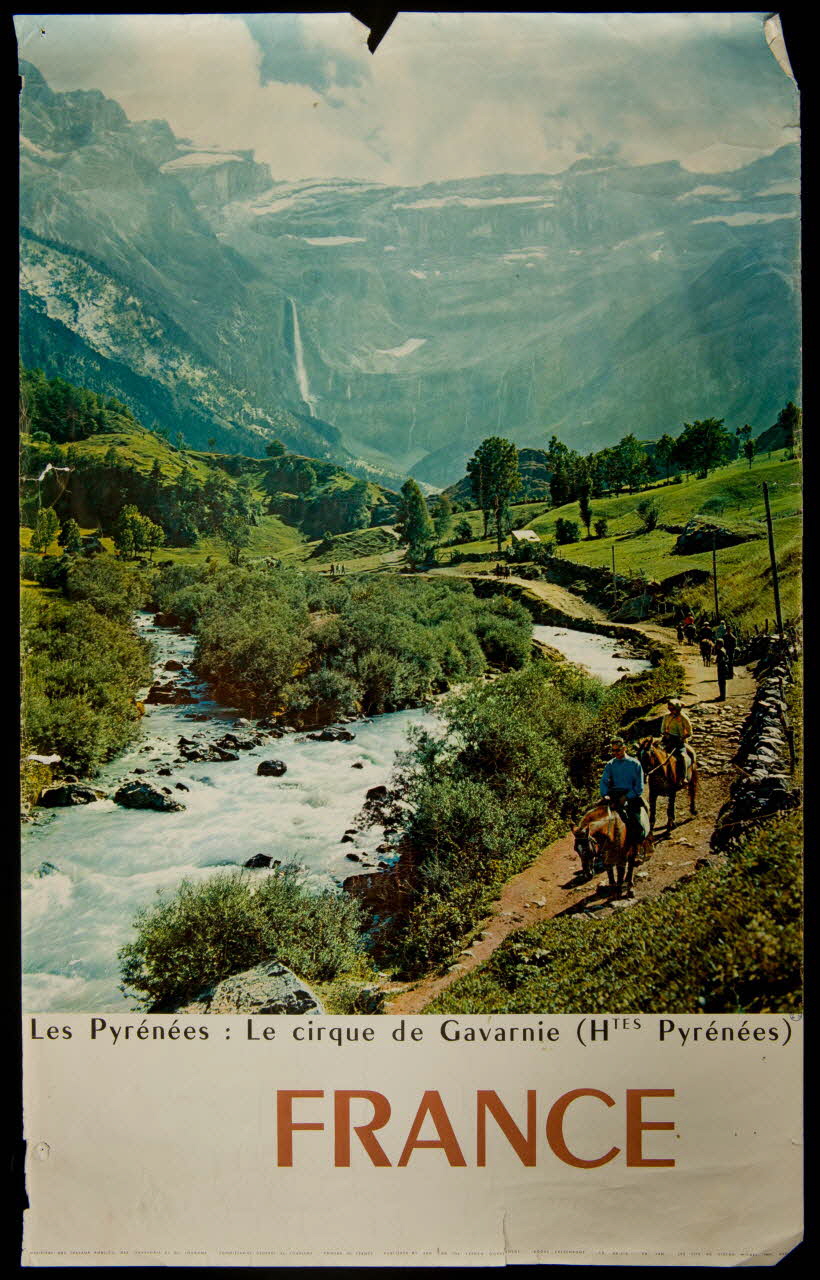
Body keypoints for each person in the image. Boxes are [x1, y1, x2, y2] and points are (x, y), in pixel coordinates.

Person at [599, 736, 645, 849]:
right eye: (613, 751)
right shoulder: (610, 764)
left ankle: (638, 847)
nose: (616, 753)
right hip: (614, 794)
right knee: (595, 818)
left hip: (631, 795)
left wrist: (627, 797)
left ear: (624, 748)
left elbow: (639, 787)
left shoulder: (635, 764)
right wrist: (605, 794)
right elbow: (604, 781)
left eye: (618, 750)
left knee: (637, 823)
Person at [661, 698, 695, 781]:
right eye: (670, 709)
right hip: (667, 739)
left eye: (673, 709)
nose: (671, 711)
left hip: (678, 741)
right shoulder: (666, 716)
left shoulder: (683, 718)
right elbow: (662, 729)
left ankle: (683, 777)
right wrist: (666, 734)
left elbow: (690, 731)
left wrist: (683, 737)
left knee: (682, 757)